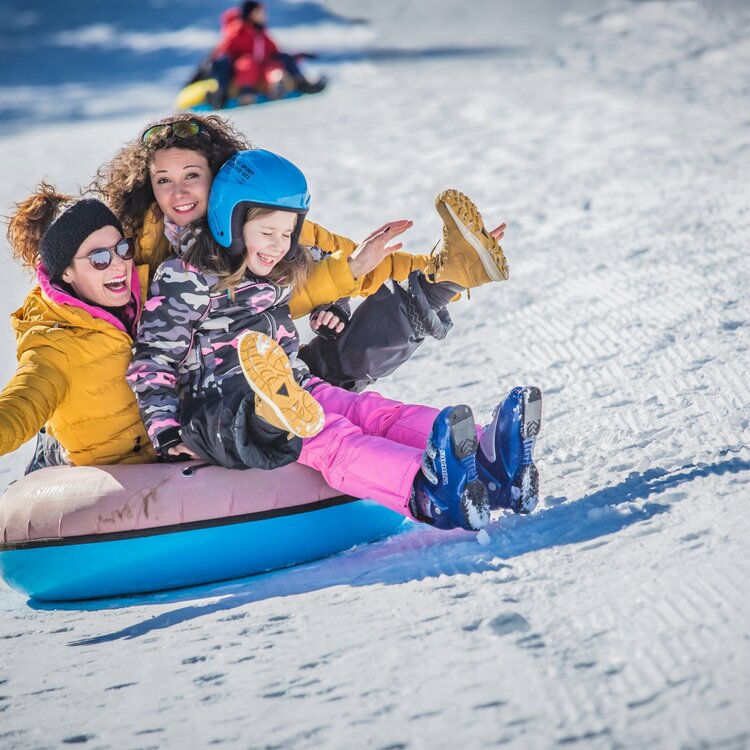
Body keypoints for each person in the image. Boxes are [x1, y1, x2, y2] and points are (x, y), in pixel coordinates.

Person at [127, 150, 542, 532]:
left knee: (373, 413)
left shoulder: (283, 262)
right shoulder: (184, 277)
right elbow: (154, 360)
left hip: (294, 384)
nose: (278, 245)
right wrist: (165, 431)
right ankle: (425, 489)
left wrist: (338, 308)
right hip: (232, 408)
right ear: (231, 223)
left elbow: (334, 273)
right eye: (267, 232)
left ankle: (492, 462)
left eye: (287, 233)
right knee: (330, 437)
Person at [92, 113, 510, 393]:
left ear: (219, 176)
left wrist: (430, 267)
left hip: (260, 368)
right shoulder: (135, 244)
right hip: (183, 393)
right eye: (163, 180)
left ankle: (450, 277)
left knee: (336, 348)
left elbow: (355, 261)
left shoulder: (265, 220)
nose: (178, 192)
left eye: (192, 176)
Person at [0, 184, 157, 471]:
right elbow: (22, 404)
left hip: (180, 465)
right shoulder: (54, 343)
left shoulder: (154, 292)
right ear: (66, 272)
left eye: (123, 248)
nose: (119, 265)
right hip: (123, 489)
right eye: (99, 259)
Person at [204, 1, 326, 108]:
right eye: (260, 12)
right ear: (251, 14)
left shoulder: (261, 35)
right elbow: (223, 51)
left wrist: (297, 56)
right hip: (241, 71)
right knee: (247, 62)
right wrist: (211, 62)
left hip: (262, 69)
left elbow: (275, 52)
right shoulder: (238, 32)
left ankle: (292, 84)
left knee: (277, 63)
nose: (264, 15)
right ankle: (235, 93)